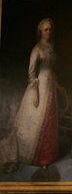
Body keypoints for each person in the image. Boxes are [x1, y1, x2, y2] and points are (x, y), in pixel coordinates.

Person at [1, 18, 59, 171]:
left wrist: (57, 84)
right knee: (38, 122)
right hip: (40, 87)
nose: (48, 32)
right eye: (45, 29)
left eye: (50, 29)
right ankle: (38, 158)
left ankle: (48, 156)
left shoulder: (51, 48)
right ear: (40, 31)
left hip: (50, 86)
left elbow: (51, 70)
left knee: (49, 121)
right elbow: (32, 73)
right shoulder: (37, 49)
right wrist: (35, 94)